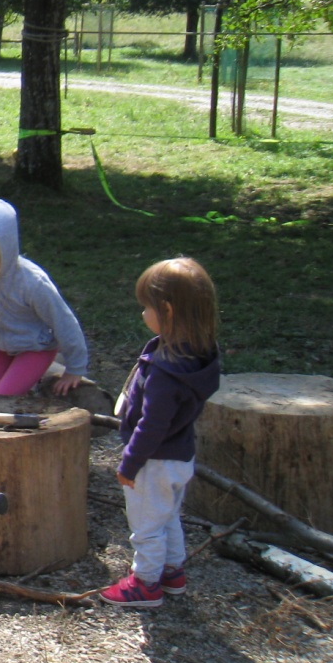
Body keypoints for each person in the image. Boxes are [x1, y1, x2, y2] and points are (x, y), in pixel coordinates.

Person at [101, 258, 221, 608]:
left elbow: (152, 424)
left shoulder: (166, 373)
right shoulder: (196, 358)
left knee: (146, 526)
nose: (143, 314)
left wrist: (130, 463)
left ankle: (145, 584)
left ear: (166, 310)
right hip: (181, 456)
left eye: (146, 307)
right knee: (168, 517)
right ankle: (172, 572)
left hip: (153, 462)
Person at [0, 199, 88, 397]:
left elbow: (63, 321)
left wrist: (75, 368)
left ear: (5, 249)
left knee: (0, 402)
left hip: (35, 348)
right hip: (1, 347)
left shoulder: (32, 282)